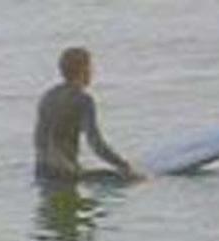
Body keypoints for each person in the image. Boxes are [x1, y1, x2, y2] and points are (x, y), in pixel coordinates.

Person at [33, 47, 143, 184]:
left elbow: (39, 140)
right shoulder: (83, 99)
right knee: (137, 180)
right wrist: (123, 165)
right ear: (83, 70)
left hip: (41, 172)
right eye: (90, 68)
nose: (92, 72)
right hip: (66, 175)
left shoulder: (48, 96)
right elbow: (96, 143)